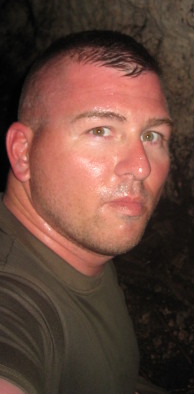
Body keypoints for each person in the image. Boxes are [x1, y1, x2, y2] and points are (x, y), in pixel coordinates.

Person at [0, 30, 173, 393]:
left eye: (152, 136)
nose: (140, 167)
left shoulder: (77, 242)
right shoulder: (15, 300)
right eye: (100, 130)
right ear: (22, 153)